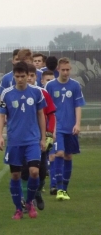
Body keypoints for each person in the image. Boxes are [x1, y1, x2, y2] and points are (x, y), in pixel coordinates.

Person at [0, 61, 46, 220]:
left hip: (32, 140)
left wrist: (43, 137)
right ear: (14, 76)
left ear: (29, 76)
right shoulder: (7, 94)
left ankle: (30, 202)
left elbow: (41, 115)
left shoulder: (37, 93)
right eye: (17, 76)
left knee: (34, 172)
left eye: (23, 76)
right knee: (16, 176)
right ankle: (18, 208)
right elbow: (1, 116)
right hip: (14, 141)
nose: (20, 79)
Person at [45, 57, 85, 200]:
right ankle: (58, 187)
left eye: (68, 70)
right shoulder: (50, 86)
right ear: (58, 70)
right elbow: (47, 108)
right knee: (59, 154)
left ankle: (64, 189)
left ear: (70, 70)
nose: (66, 72)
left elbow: (78, 106)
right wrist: (50, 127)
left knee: (68, 156)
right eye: (63, 70)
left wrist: (78, 124)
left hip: (71, 126)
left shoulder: (75, 86)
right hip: (57, 127)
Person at [21, 64, 56, 211]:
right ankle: (25, 201)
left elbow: (51, 115)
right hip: (23, 138)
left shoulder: (42, 93)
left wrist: (49, 133)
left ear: (37, 77)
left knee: (41, 171)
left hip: (40, 137)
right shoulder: (17, 92)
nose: (29, 78)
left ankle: (37, 193)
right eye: (26, 75)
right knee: (25, 169)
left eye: (32, 75)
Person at [41, 70, 57, 194]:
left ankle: (53, 184)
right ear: (42, 81)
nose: (50, 82)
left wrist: (51, 132)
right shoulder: (40, 94)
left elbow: (52, 115)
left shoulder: (48, 94)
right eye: (47, 80)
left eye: (52, 80)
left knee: (52, 156)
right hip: (38, 134)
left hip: (49, 132)